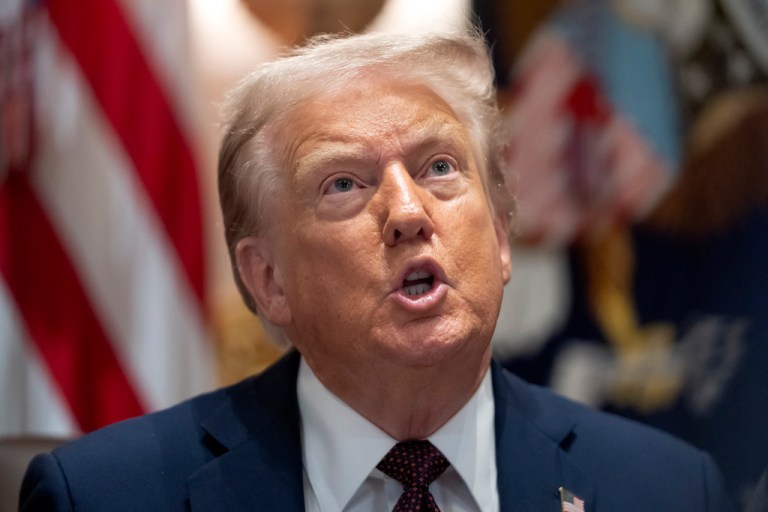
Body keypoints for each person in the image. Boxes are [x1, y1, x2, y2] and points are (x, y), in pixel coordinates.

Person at [20, 29, 733, 512]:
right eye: (343, 184)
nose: (407, 210)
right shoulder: (109, 495)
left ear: (501, 236)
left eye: (441, 168)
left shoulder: (666, 489)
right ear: (267, 280)